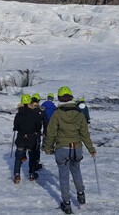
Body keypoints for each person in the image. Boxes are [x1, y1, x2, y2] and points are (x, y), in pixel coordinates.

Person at [44, 86, 96, 214]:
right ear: (71, 98)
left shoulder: (57, 114)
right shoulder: (79, 113)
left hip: (62, 148)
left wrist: (48, 148)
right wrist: (91, 149)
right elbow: (85, 134)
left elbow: (50, 133)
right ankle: (81, 195)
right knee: (76, 171)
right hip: (77, 148)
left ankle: (66, 204)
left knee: (63, 177)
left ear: (60, 98)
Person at [13, 94, 43, 184]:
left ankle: (17, 174)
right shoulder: (34, 113)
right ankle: (31, 174)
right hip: (31, 138)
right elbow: (38, 127)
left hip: (21, 138)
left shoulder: (18, 114)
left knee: (18, 157)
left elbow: (16, 126)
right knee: (32, 156)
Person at [30, 93, 47, 171]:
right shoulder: (41, 110)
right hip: (37, 132)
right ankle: (35, 163)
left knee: (31, 149)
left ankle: (32, 164)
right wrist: (45, 131)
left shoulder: (28, 109)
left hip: (28, 132)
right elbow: (45, 122)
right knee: (36, 148)